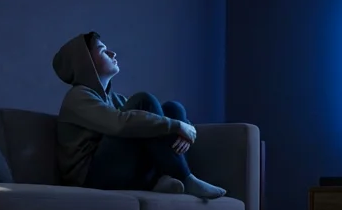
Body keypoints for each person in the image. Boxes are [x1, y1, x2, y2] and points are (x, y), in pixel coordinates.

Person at [52, 32, 226, 199]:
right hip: (90, 179)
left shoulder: (114, 99)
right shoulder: (78, 96)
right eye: (103, 51)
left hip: (119, 171)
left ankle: (161, 180)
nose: (113, 53)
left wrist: (186, 127)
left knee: (173, 108)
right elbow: (119, 124)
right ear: (86, 62)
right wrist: (178, 127)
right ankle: (185, 178)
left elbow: (149, 120)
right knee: (144, 101)